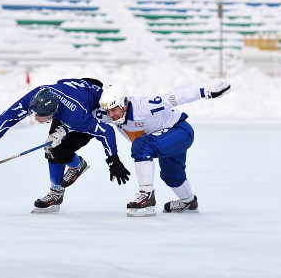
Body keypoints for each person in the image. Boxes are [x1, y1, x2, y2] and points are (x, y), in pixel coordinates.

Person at [0, 78, 131, 213]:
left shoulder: (78, 117)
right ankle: (55, 192)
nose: (36, 118)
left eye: (40, 116)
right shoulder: (38, 94)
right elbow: (9, 115)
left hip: (88, 108)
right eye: (34, 113)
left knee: (61, 150)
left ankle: (77, 166)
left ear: (53, 112)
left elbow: (106, 132)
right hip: (74, 93)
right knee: (51, 147)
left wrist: (113, 161)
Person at [96, 80, 231, 217]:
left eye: (114, 110)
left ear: (124, 104)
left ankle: (146, 195)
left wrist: (205, 91)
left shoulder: (142, 107)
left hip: (180, 131)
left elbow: (173, 97)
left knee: (141, 146)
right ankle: (189, 201)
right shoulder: (108, 115)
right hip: (164, 139)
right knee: (171, 176)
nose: (111, 115)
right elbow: (83, 114)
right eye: (108, 111)